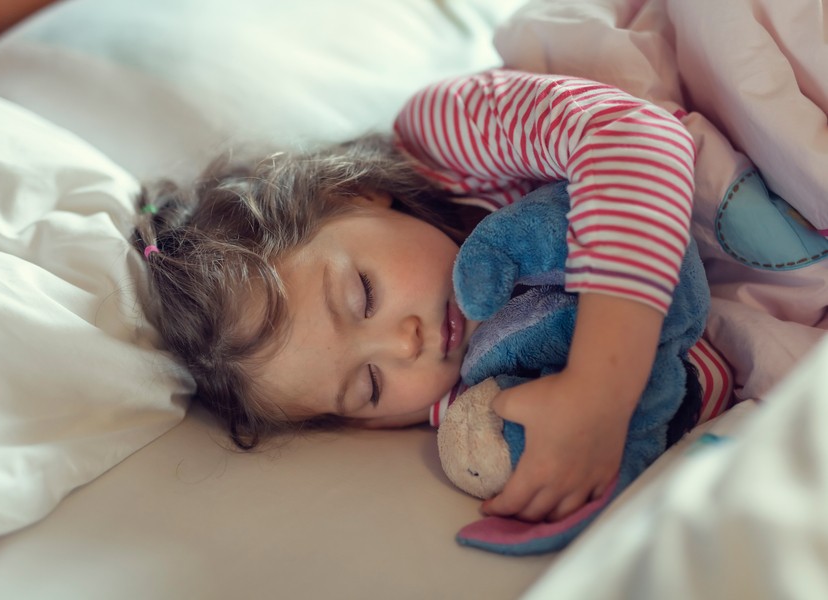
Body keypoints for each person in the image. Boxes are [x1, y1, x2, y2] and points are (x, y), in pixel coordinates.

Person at [132, 68, 731, 524]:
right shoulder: (477, 397)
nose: (403, 343)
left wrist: (602, 388)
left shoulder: (448, 132)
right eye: (368, 386)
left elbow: (634, 133)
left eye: (363, 295)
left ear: (354, 195)